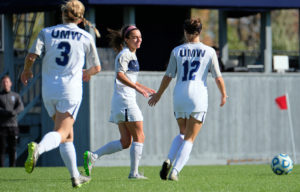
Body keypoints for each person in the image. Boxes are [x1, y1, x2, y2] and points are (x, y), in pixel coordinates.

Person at [20, 0, 101, 188]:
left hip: (49, 90)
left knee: (68, 136)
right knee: (62, 132)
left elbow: (31, 56)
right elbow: (96, 67)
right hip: (69, 90)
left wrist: (26, 71)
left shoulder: (46, 32)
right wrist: (86, 73)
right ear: (81, 19)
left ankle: (75, 177)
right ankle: (38, 149)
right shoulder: (85, 36)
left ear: (63, 14)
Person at [148, 18, 227, 181]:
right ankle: (175, 171)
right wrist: (223, 94)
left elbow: (168, 75)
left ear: (185, 32)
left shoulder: (177, 50)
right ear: (200, 32)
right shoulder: (209, 51)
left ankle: (169, 158)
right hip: (198, 95)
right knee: (190, 138)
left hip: (179, 94)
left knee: (183, 133)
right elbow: (218, 77)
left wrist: (159, 94)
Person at [83, 25, 155, 179]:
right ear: (126, 40)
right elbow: (120, 76)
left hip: (122, 100)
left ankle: (93, 157)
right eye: (135, 37)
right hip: (125, 100)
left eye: (140, 37)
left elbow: (129, 78)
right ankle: (134, 173)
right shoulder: (125, 54)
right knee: (140, 135)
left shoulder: (131, 54)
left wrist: (144, 87)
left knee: (125, 142)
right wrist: (137, 88)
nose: (139, 39)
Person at [0, 75, 24, 167]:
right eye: (3, 82)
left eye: (7, 82)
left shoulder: (15, 95)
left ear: (10, 83)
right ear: (2, 84)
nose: (5, 84)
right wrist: (5, 112)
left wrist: (14, 112)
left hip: (13, 126)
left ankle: (12, 168)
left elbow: (21, 106)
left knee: (12, 148)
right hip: (2, 126)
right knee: (1, 148)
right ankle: (1, 168)